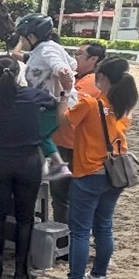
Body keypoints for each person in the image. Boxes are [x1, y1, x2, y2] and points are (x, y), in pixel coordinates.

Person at [49, 57, 138, 279]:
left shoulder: (90, 104)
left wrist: (66, 92)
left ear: (104, 79)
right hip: (115, 173)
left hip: (89, 172)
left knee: (80, 231)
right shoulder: (125, 105)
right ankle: (99, 277)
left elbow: (62, 120)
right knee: (104, 227)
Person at [0, 58, 57, 279]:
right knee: (26, 217)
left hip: (2, 160)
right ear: (17, 73)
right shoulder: (32, 95)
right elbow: (52, 103)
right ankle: (21, 270)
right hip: (29, 160)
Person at [12, 13, 76, 180]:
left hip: (53, 103)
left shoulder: (47, 49)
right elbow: (73, 63)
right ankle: (52, 164)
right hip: (47, 102)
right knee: (39, 133)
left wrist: (61, 73)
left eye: (22, 37)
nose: (21, 40)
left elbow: (61, 65)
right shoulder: (42, 49)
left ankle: (57, 165)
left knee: (33, 132)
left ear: (32, 36)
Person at [50, 42, 105, 223]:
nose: (75, 56)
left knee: (64, 198)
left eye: (80, 54)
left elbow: (69, 111)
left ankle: (68, 238)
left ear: (93, 59)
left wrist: (64, 90)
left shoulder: (91, 83)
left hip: (74, 148)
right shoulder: (78, 78)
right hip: (64, 144)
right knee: (61, 197)